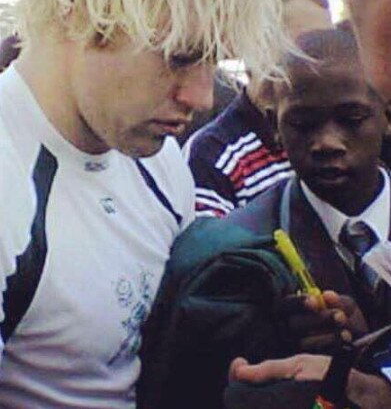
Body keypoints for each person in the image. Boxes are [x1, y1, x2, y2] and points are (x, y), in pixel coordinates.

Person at [0, 0, 286, 407]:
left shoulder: (159, 162)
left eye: (215, 62)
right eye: (180, 55)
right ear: (80, 6)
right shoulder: (8, 175)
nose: (202, 97)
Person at [139, 27, 389, 409]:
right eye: (303, 124)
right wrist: (269, 337)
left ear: (386, 115)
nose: (327, 142)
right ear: (273, 126)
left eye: (352, 118)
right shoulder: (236, 253)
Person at [184, 0, 332, 218]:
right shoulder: (213, 154)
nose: (329, 59)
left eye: (331, 43)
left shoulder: (342, 134)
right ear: (258, 44)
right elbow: (209, 250)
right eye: (309, 46)